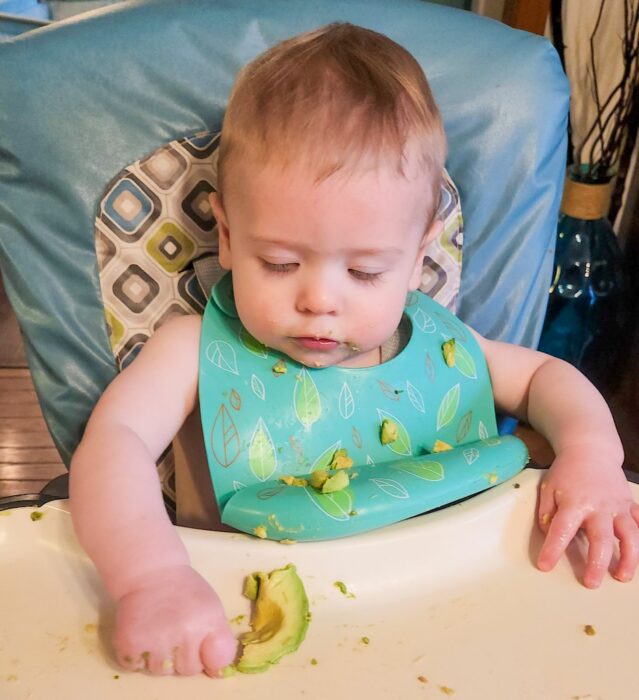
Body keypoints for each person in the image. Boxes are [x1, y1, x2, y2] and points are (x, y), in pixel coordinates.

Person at [69, 22, 639, 678]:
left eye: (366, 272)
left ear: (418, 253)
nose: (319, 301)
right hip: (251, 619)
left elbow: (544, 376)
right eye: (279, 263)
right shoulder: (191, 350)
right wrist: (151, 576)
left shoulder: (443, 349)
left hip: (456, 616)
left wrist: (591, 456)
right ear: (226, 234)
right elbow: (113, 444)